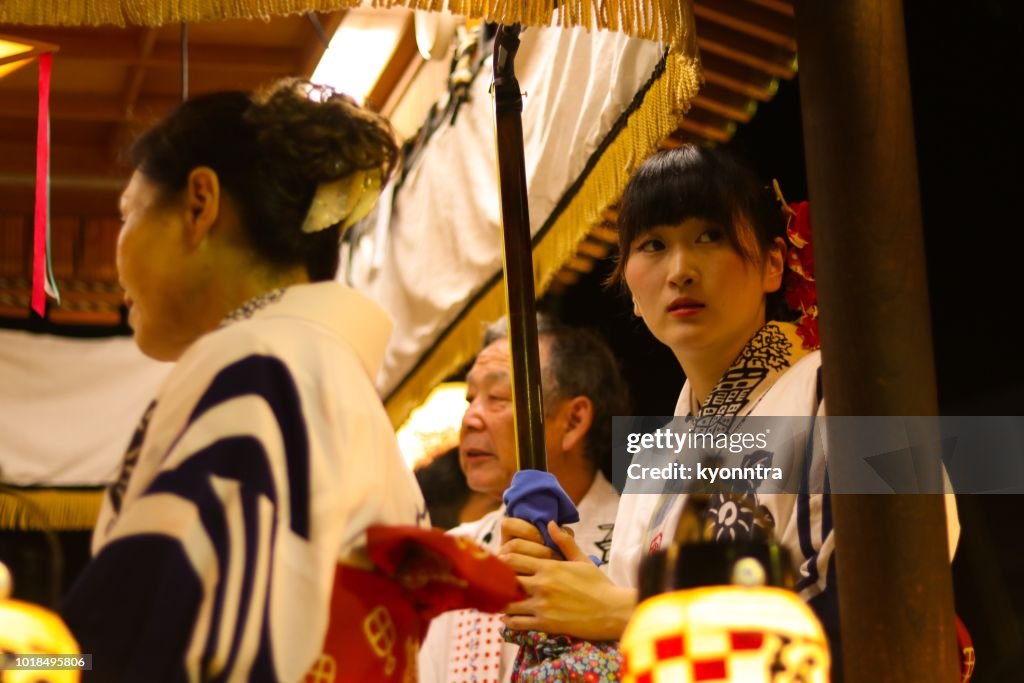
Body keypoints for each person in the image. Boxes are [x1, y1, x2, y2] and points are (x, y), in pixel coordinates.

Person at [499, 146, 958, 673]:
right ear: (630, 288)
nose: (680, 270)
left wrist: (628, 612)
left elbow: (889, 594)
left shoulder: (849, 389)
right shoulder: (655, 459)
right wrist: (564, 583)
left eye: (709, 236)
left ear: (772, 263)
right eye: (653, 245)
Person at [60, 80, 427, 681]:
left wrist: (24, 655)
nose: (117, 248)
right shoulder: (330, 381)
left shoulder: (256, 363)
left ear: (200, 203)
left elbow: (140, 640)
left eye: (127, 213)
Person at [418, 315, 628, 683]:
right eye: (471, 399)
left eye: (497, 397)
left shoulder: (638, 534)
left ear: (574, 420)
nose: (469, 418)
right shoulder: (451, 555)